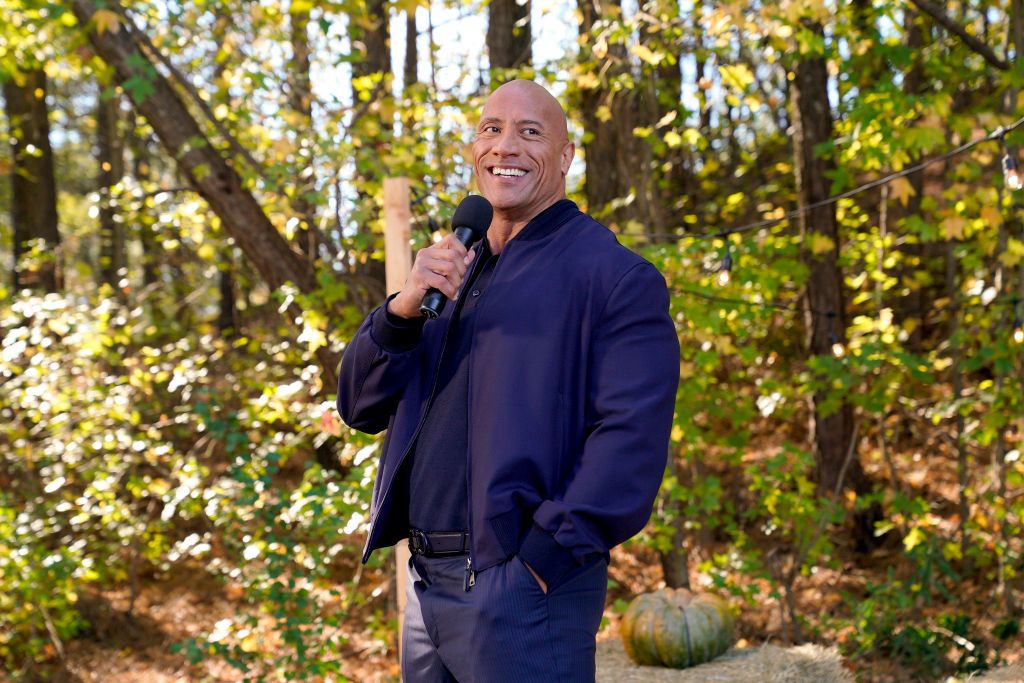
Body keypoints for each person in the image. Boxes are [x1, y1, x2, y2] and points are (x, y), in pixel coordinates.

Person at [336, 80, 679, 682]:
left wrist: (540, 564)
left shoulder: (613, 277)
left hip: (522, 596)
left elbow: (631, 440)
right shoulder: (450, 270)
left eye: (530, 132)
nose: (505, 146)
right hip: (425, 585)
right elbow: (360, 405)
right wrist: (404, 307)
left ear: (567, 155)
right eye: (491, 129)